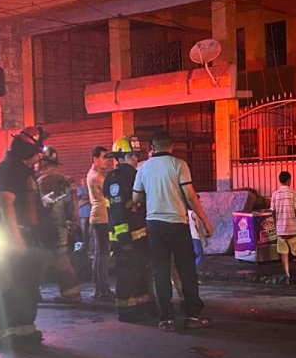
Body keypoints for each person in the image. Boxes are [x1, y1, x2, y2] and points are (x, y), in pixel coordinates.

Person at [133, 131, 214, 331]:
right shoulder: (179, 165)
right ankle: (192, 316)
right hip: (177, 223)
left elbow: (136, 199)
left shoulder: (143, 169)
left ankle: (166, 319)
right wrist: (204, 220)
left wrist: (152, 196)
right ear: (172, 146)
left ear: (152, 148)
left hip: (154, 225)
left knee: (161, 272)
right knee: (186, 270)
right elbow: (191, 196)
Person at [0, 125, 51, 350]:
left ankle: (25, 329)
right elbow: (5, 203)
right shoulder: (8, 169)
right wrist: (16, 238)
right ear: (29, 151)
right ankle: (7, 333)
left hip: (27, 235)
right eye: (38, 150)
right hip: (13, 237)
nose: (40, 155)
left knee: (27, 285)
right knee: (10, 285)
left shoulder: (23, 171)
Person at [104, 136, 155, 322]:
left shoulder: (135, 175)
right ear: (120, 158)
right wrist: (124, 239)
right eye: (131, 155)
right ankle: (126, 310)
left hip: (140, 235)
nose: (135, 159)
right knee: (126, 273)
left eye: (136, 155)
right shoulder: (116, 180)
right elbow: (117, 212)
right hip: (123, 238)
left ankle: (142, 305)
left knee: (141, 271)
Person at [36, 147, 82, 304]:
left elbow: (38, 207)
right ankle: (70, 292)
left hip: (47, 228)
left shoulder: (41, 182)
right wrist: (73, 223)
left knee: (52, 259)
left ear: (42, 162)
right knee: (52, 257)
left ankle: (71, 293)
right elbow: (74, 206)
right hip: (63, 226)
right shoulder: (67, 181)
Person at [86, 145, 116, 302]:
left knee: (101, 253)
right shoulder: (95, 176)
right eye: (104, 157)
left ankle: (100, 288)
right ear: (95, 159)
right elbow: (111, 189)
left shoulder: (94, 175)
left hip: (101, 217)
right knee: (102, 254)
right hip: (101, 218)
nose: (107, 162)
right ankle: (102, 288)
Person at [271, 171, 296, 285]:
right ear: (289, 180)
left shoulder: (275, 194)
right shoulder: (294, 193)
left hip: (281, 229)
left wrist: (276, 223)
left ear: (280, 180)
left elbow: (273, 211)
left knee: (284, 253)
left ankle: (287, 276)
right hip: (292, 228)